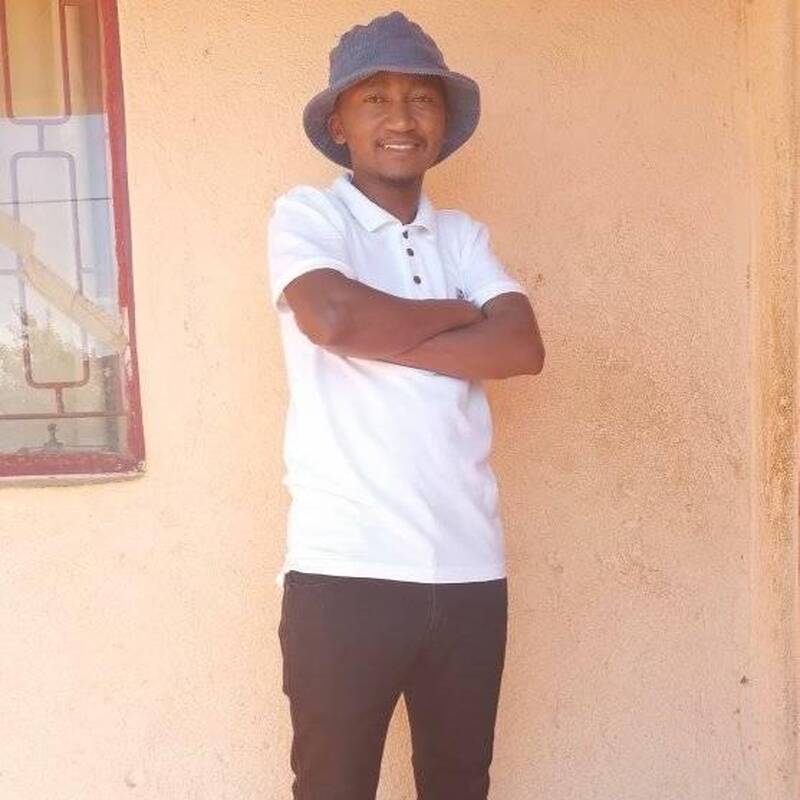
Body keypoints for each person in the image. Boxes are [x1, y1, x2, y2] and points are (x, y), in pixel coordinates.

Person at [266, 10, 545, 800]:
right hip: (345, 570)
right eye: (375, 99)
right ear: (339, 124)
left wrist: (381, 333)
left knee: (460, 785)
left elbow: (521, 347)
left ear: (443, 123)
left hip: (468, 568)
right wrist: (460, 314)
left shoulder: (462, 236)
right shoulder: (309, 215)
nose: (400, 118)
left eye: (421, 99)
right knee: (333, 788)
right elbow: (332, 318)